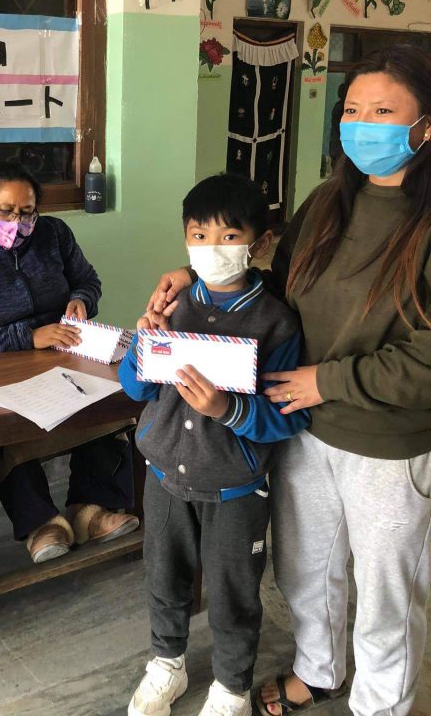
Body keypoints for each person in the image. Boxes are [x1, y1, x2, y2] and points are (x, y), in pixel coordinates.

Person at [147, 45, 431, 716]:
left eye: (383, 112)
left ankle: (380, 706)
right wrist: (199, 276)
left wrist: (326, 381)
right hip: (299, 424)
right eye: (352, 110)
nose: (362, 125)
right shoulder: (330, 201)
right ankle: (318, 672)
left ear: (425, 126)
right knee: (306, 571)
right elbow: (282, 285)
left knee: (387, 597)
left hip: (386, 442)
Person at [120, 173, 307, 716]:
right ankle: (167, 664)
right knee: (164, 578)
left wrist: (227, 409)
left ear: (259, 243)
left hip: (234, 488)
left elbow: (289, 417)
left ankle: (231, 687)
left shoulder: (276, 323)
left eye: (228, 237)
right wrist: (145, 343)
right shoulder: (174, 304)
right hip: (163, 478)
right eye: (199, 236)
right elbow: (137, 389)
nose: (211, 249)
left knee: (232, 593)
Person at [0, 160, 138, 564]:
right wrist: (29, 336)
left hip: (63, 354)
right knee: (1, 422)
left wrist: (81, 300)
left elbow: (87, 280)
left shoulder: (54, 234)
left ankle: (91, 509)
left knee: (108, 397)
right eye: (5, 210)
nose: (16, 222)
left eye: (26, 212)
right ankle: (41, 523)